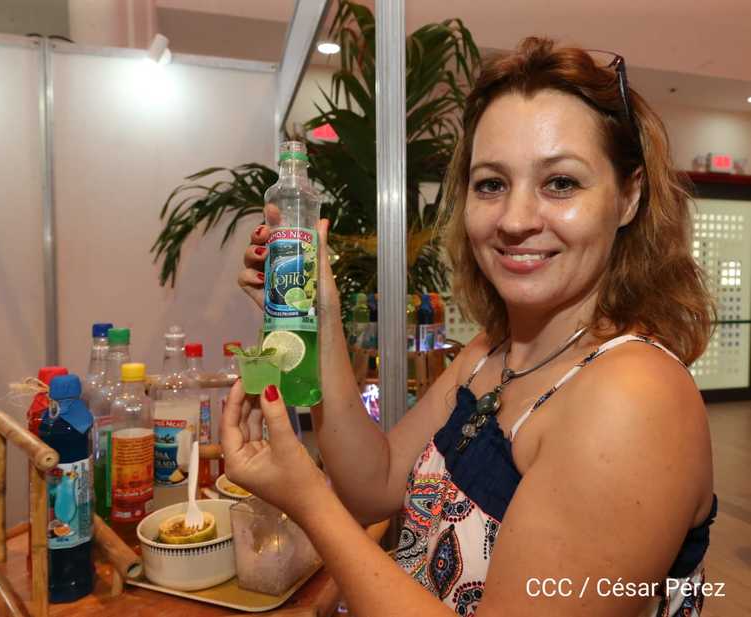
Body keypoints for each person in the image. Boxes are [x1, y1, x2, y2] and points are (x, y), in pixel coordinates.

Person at [224, 37, 717, 617]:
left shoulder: (634, 398)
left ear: (629, 197)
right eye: (491, 184)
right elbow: (373, 484)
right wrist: (319, 311)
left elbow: (345, 504)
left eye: (561, 182)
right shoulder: (493, 352)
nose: (514, 220)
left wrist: (310, 503)